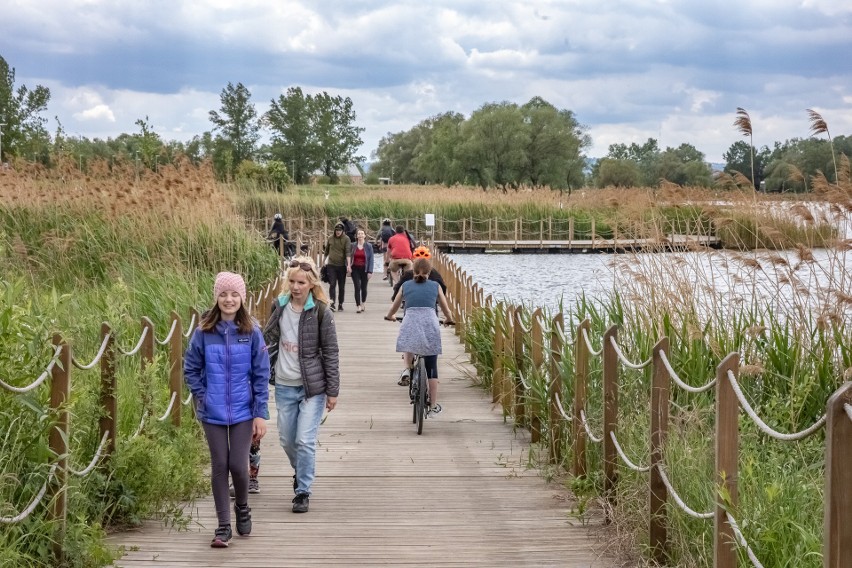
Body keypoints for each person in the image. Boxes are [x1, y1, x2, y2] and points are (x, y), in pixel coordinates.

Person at [184, 271, 270, 548]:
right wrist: (202, 395)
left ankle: (242, 507)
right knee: (220, 465)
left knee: (238, 465)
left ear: (242, 298)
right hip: (213, 411)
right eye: (223, 294)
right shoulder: (203, 332)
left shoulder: (251, 332)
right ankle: (223, 526)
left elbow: (261, 374)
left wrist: (260, 413)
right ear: (216, 298)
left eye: (234, 294)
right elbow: (191, 367)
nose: (229, 299)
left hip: (244, 410)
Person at [263, 257, 340, 513]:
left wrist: (333, 391)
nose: (296, 287)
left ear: (311, 284)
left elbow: (331, 352)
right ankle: (301, 470)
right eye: (292, 282)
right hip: (284, 384)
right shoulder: (279, 306)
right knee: (287, 440)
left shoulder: (320, 311)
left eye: (301, 282)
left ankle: (302, 491)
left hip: (312, 387)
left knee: (305, 440)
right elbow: (266, 340)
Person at [384, 257, 454, 417]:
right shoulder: (436, 286)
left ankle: (407, 369)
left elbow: (394, 307)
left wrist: (390, 316)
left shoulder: (406, 285)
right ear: (429, 272)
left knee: (409, 342)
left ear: (412, 271)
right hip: (430, 323)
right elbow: (446, 309)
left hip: (410, 321)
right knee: (432, 367)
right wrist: (449, 319)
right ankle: (433, 406)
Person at [323, 221, 352, 311]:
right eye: (336, 230)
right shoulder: (330, 238)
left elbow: (348, 252)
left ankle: (340, 303)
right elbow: (326, 251)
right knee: (332, 284)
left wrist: (348, 265)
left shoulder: (346, 239)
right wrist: (323, 262)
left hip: (341, 266)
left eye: (339, 230)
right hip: (331, 265)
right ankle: (332, 303)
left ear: (343, 231)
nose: (338, 232)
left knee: (341, 286)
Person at [350, 229, 374, 313]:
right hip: (355, 268)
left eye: (362, 234)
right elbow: (348, 257)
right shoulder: (352, 245)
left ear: (364, 236)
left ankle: (363, 302)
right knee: (357, 286)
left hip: (365, 268)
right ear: (356, 236)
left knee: (364, 287)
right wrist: (348, 266)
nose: (360, 235)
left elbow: (371, 259)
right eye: (358, 234)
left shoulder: (369, 246)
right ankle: (358, 305)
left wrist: (370, 271)